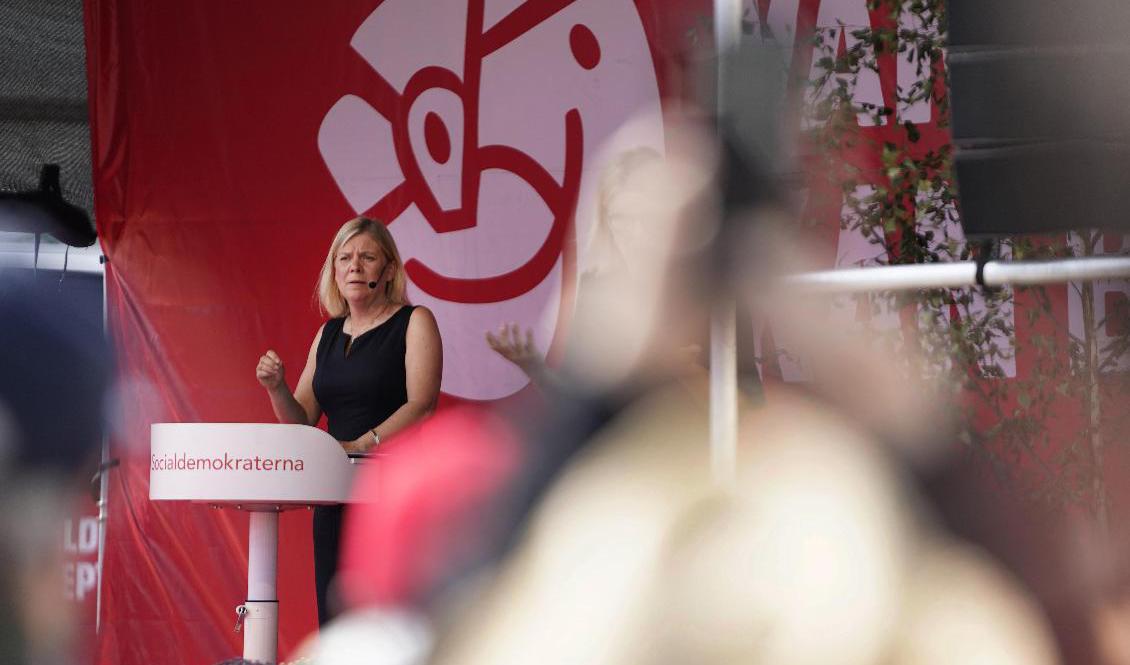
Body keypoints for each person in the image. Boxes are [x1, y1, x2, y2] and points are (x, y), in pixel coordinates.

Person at [255, 216, 442, 626]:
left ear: (388, 269)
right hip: (334, 493)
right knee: (336, 619)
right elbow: (302, 418)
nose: (355, 265)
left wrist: (362, 444)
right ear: (334, 272)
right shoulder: (327, 334)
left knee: (385, 621)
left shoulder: (414, 322)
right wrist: (276, 387)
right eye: (345, 258)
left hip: (391, 494)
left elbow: (422, 404)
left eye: (367, 257)